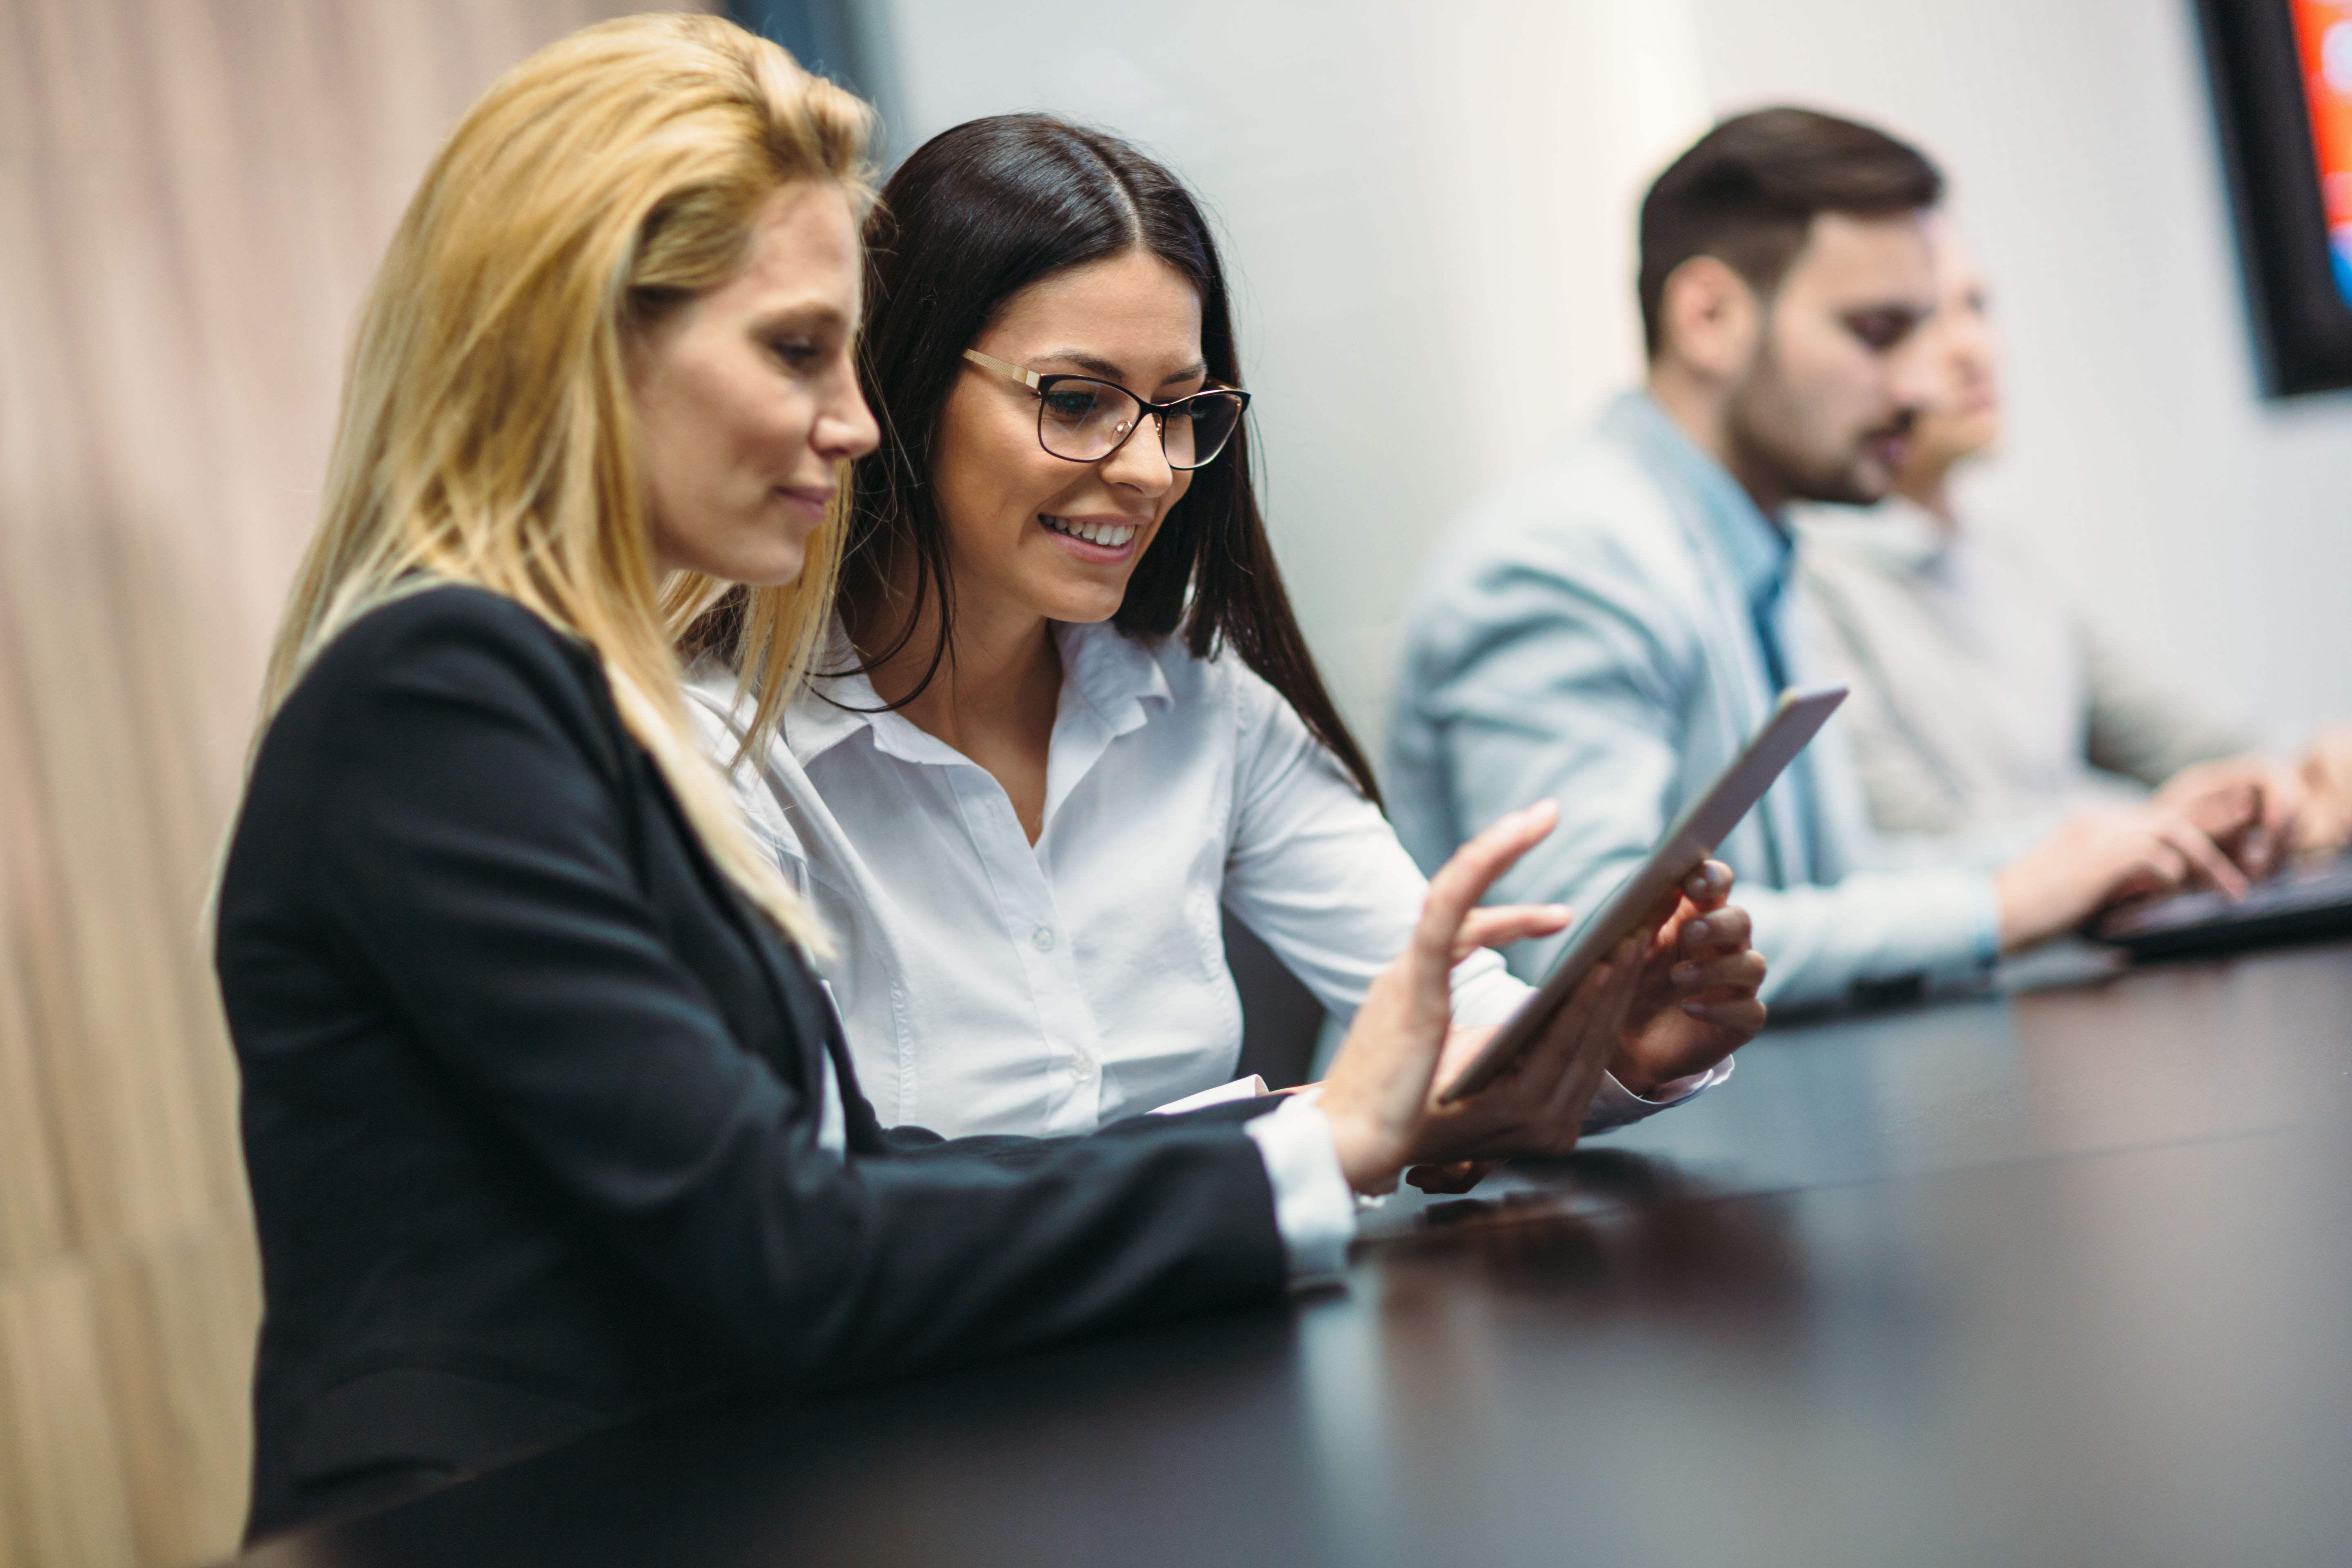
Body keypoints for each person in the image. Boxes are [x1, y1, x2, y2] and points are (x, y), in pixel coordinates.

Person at [212, 18, 1680, 1542]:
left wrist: (1342, 1119)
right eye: (797, 352)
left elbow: (852, 1178)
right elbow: (790, 1245)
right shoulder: (444, 694)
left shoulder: (554, 697)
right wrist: (1313, 1147)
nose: (856, 423)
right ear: (580, 341)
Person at [686, 114, 1766, 1148]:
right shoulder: (724, 758)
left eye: (1181, 410)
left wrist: (1612, 1049)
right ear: (900, 383)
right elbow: (819, 1192)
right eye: (1076, 401)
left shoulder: (1204, 706)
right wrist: (1304, 1137)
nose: (1152, 471)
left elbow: (1458, 1030)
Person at [1388, 108, 2255, 1014]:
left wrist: (2115, 848)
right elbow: (1595, 949)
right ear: (1710, 318)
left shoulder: (1749, 544)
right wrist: (1998, 907)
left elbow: (1828, 882)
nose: (1923, 387)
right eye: (1879, 333)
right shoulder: (1568, 560)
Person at [1797, 214, 2352, 864]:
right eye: (1918, 322)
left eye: (1976, 307)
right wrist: (2169, 829)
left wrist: (2309, 769)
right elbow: (1912, 843)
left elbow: (2204, 740)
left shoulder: (2007, 564)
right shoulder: (1808, 581)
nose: (1971, 348)